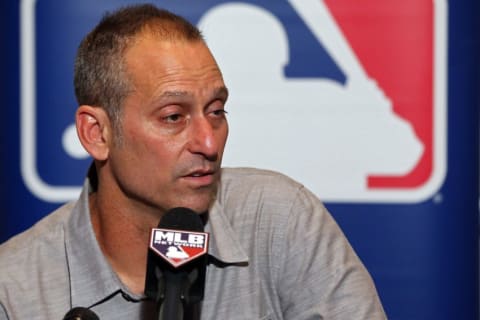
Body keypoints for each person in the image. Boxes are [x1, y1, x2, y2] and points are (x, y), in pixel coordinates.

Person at [0, 4, 386, 319]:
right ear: (97, 133)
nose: (208, 142)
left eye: (216, 111)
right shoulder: (14, 289)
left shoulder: (280, 221)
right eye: (173, 117)